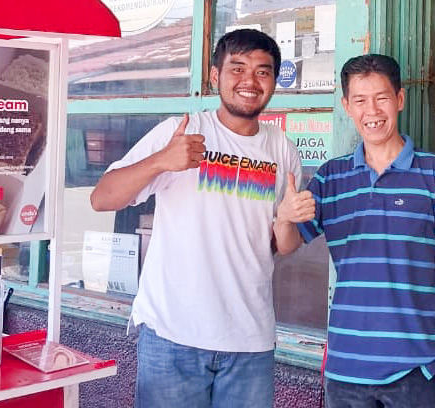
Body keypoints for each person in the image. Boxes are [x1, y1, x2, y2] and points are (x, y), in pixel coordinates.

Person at [89, 29, 311, 408]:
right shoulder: (183, 131)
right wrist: (161, 160)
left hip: (250, 341)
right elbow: (101, 198)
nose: (249, 81)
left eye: (263, 71)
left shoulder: (282, 149)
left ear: (274, 80)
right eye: (237, 68)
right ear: (214, 76)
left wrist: (287, 220)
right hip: (173, 337)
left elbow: (283, 246)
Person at [296, 54, 435, 407]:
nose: (372, 111)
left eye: (381, 98)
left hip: (417, 367)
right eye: (360, 100)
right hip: (346, 369)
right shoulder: (330, 178)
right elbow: (286, 244)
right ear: (347, 106)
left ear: (400, 100)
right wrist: (285, 216)